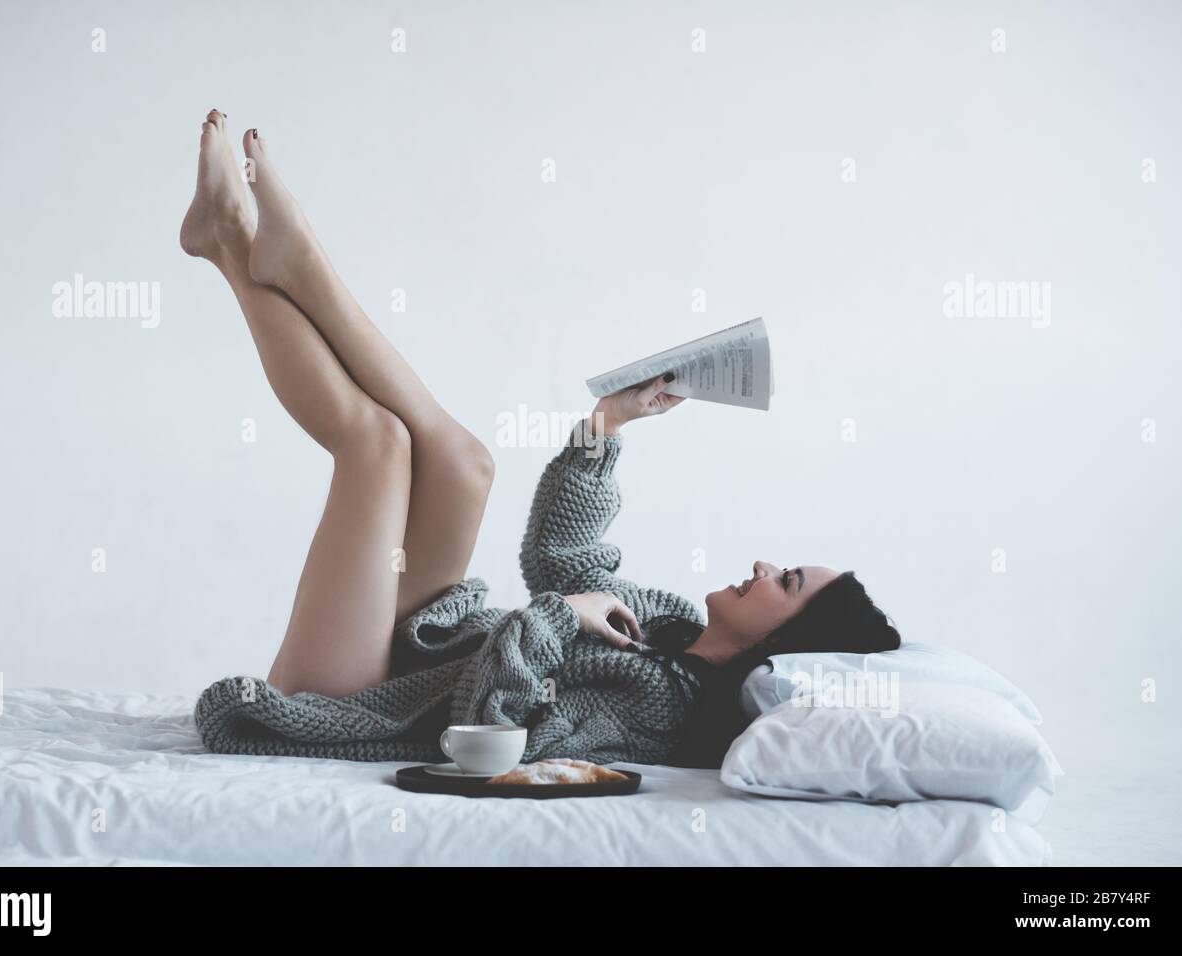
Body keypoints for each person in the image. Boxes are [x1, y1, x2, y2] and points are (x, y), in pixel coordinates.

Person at [185, 111, 901, 768]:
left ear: (781, 643)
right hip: (416, 651)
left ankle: (230, 244)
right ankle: (291, 260)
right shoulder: (674, 624)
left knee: (377, 443)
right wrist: (608, 426)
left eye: (788, 582)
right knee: (466, 465)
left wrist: (563, 615)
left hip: (354, 700)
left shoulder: (664, 709)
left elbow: (492, 722)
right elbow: (559, 558)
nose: (766, 565)